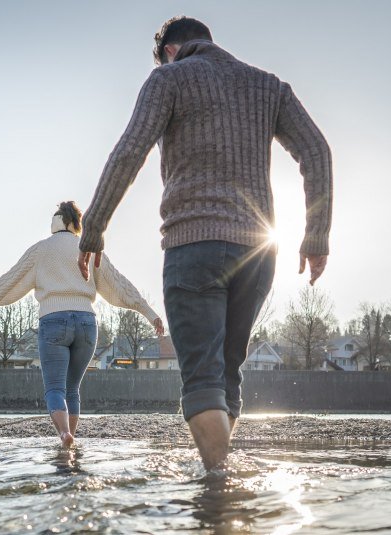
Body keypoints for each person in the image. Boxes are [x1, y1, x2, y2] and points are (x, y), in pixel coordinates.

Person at [78, 17, 332, 469]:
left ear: (169, 51)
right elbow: (316, 151)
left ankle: (219, 487)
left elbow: (129, 151)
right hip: (257, 254)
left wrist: (93, 227)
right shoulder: (268, 86)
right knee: (227, 373)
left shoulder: (168, 78)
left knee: (201, 378)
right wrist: (316, 235)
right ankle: (224, 484)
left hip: (194, 245)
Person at [0, 201, 164, 448]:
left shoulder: (41, 250)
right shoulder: (89, 249)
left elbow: (8, 282)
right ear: (76, 223)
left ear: (56, 222)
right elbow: (119, 285)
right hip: (86, 323)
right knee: (72, 388)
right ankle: (71, 439)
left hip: (53, 322)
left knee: (54, 388)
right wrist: (149, 313)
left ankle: (63, 435)